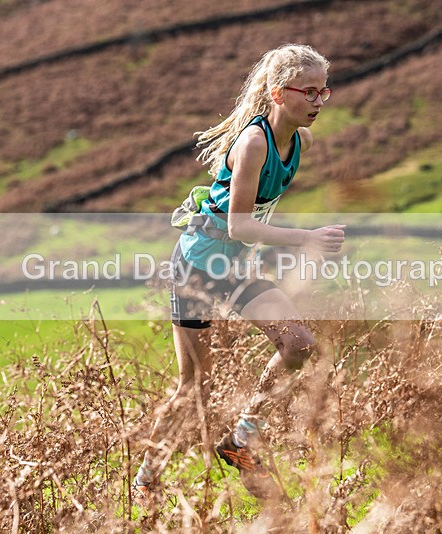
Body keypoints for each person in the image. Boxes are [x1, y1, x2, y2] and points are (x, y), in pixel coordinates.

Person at [133, 43, 345, 502]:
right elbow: (240, 225)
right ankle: (146, 481)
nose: (318, 102)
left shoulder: (299, 141)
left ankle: (240, 441)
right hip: (198, 268)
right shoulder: (252, 144)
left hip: (238, 268)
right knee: (194, 388)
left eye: (323, 92)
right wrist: (307, 238)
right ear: (277, 93)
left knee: (298, 343)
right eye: (308, 92)